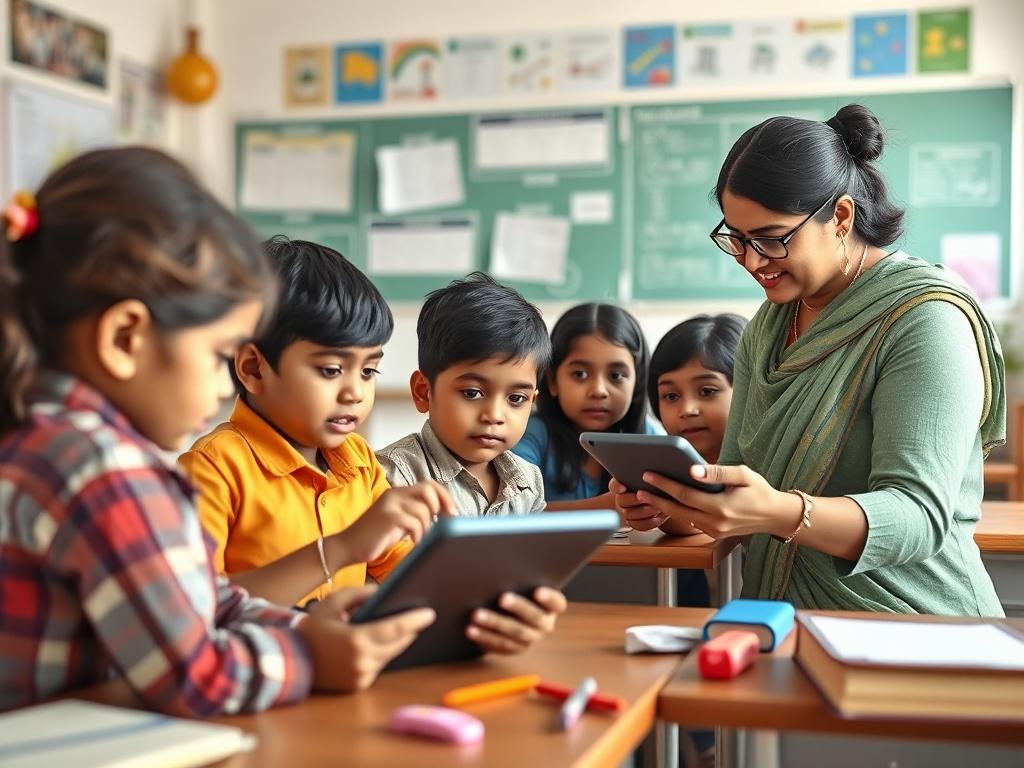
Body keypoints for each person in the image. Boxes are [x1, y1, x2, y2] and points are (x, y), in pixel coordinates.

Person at [0, 149, 433, 714]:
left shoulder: (40, 437)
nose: (220, 385)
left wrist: (308, 631)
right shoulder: (103, 470)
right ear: (125, 339)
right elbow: (197, 676)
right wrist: (309, 657)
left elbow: (206, 599)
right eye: (215, 356)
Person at [616, 104, 1005, 615]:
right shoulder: (770, 326)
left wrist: (776, 512)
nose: (753, 261)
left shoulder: (926, 321)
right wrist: (668, 502)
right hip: (782, 622)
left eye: (773, 239)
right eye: (737, 238)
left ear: (840, 217)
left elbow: (918, 517)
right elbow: (734, 482)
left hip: (913, 624)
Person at [180, 242, 563, 651]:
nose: (355, 393)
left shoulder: (358, 463)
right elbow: (199, 612)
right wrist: (343, 547)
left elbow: (413, 579)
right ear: (254, 368)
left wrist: (496, 614)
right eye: (331, 370)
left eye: (368, 370)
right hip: (255, 684)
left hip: (343, 680)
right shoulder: (212, 469)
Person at [376, 273, 565, 652]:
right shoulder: (393, 475)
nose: (495, 414)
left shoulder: (528, 481)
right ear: (423, 391)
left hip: (496, 647)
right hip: (413, 650)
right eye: (473, 392)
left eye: (516, 399)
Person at [512, 303, 655, 512]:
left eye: (616, 376)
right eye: (580, 374)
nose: (598, 390)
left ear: (637, 382)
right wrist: (609, 508)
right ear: (552, 381)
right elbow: (512, 513)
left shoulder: (650, 437)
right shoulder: (531, 435)